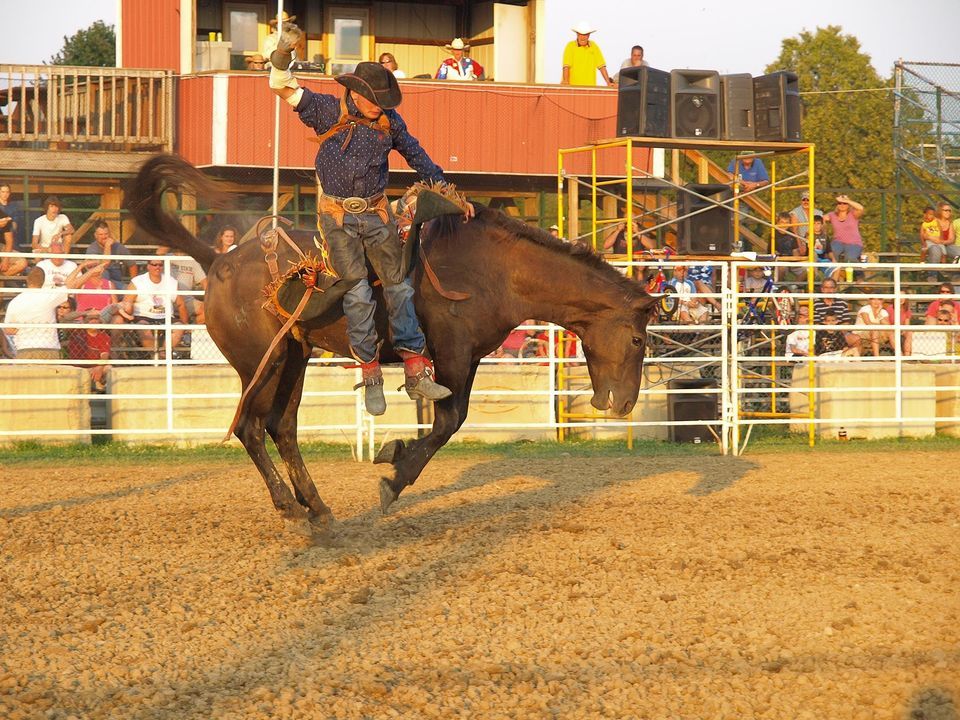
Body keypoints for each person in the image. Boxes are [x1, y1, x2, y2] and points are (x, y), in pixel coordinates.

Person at [267, 27, 472, 414]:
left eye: (383, 101)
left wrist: (448, 191)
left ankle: (415, 369)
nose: (381, 106)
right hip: (337, 217)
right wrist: (281, 53)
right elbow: (283, 84)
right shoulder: (327, 110)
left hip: (377, 214)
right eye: (377, 101)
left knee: (399, 287)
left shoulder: (390, 123)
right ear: (358, 94)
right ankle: (371, 372)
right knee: (358, 292)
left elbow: (418, 157)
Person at [3, 262, 103, 359]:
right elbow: (72, 285)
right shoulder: (48, 296)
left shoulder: (15, 302)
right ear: (43, 281)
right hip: (49, 347)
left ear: (27, 280)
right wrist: (90, 272)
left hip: (25, 348)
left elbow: (8, 330)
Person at [119, 257, 190, 357]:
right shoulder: (137, 281)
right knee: (143, 327)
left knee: (179, 328)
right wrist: (128, 317)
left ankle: (164, 354)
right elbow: (126, 302)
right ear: (148, 266)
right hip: (143, 316)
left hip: (166, 316)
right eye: (154, 264)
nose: (157, 267)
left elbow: (181, 304)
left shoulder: (171, 281)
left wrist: (185, 323)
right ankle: (155, 355)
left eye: (160, 265)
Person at [65, 307, 113, 391]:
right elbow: (65, 319)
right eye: (90, 319)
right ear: (84, 321)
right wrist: (83, 313)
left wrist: (99, 368)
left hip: (95, 369)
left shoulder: (104, 336)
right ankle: (95, 384)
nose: (94, 321)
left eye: (96, 319)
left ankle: (99, 385)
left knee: (108, 368)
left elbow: (104, 355)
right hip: (77, 369)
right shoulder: (76, 332)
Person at [813, 277, 861, 353]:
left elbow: (846, 322)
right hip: (822, 334)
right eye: (826, 288)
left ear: (835, 289)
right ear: (822, 289)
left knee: (856, 339)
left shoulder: (842, 303)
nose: (828, 290)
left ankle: (851, 360)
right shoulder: (816, 304)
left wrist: (836, 331)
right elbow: (816, 323)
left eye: (831, 288)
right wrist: (829, 330)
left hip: (840, 333)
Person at [85, 220, 137, 288]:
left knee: (132, 292)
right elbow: (102, 267)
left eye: (106, 234)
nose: (104, 237)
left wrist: (133, 284)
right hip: (100, 284)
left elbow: (132, 265)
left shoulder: (118, 246)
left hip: (117, 283)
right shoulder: (92, 249)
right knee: (104, 272)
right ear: (95, 235)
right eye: (101, 234)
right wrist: (107, 246)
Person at [561, 22, 614, 87]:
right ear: (577, 34)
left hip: (589, 87)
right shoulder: (570, 46)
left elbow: (602, 66)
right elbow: (566, 66)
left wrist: (608, 82)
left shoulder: (594, 46)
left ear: (589, 35)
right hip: (572, 86)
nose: (582, 37)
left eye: (585, 35)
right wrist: (566, 82)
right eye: (580, 34)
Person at [823, 194, 865, 265]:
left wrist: (847, 200)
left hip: (854, 243)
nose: (842, 205)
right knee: (830, 255)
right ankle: (835, 274)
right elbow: (820, 218)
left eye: (845, 203)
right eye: (840, 203)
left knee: (849, 259)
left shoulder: (853, 214)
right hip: (838, 242)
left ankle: (859, 274)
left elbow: (861, 208)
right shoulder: (832, 215)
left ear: (848, 204)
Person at [925, 202, 958, 269]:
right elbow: (926, 235)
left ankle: (955, 273)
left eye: (950, 211)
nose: (948, 212)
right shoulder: (933, 221)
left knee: (958, 251)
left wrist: (942, 242)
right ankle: (932, 275)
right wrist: (936, 241)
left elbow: (951, 239)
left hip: (946, 245)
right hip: (933, 244)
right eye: (946, 210)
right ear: (940, 211)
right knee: (936, 250)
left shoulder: (949, 223)